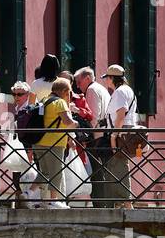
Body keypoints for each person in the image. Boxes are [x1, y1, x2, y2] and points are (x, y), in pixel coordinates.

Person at [31, 77, 78, 208]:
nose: (70, 96)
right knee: (56, 172)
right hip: (54, 142)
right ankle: (53, 200)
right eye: (69, 93)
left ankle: (28, 192)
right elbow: (68, 122)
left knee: (44, 172)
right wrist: (78, 123)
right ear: (64, 91)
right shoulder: (60, 102)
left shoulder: (44, 100)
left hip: (39, 142)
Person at [101, 64, 140, 207]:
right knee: (117, 165)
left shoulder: (120, 92)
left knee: (119, 165)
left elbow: (121, 114)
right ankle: (120, 201)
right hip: (126, 133)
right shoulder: (128, 90)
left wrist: (113, 135)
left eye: (107, 78)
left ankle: (126, 202)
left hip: (120, 133)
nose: (106, 81)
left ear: (112, 78)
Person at [74, 67, 113, 205]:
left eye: (79, 82)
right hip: (107, 135)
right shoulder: (102, 89)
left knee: (97, 173)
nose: (78, 86)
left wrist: (86, 137)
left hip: (97, 138)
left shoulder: (91, 90)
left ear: (87, 78)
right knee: (105, 172)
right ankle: (107, 203)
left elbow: (93, 118)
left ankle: (99, 204)